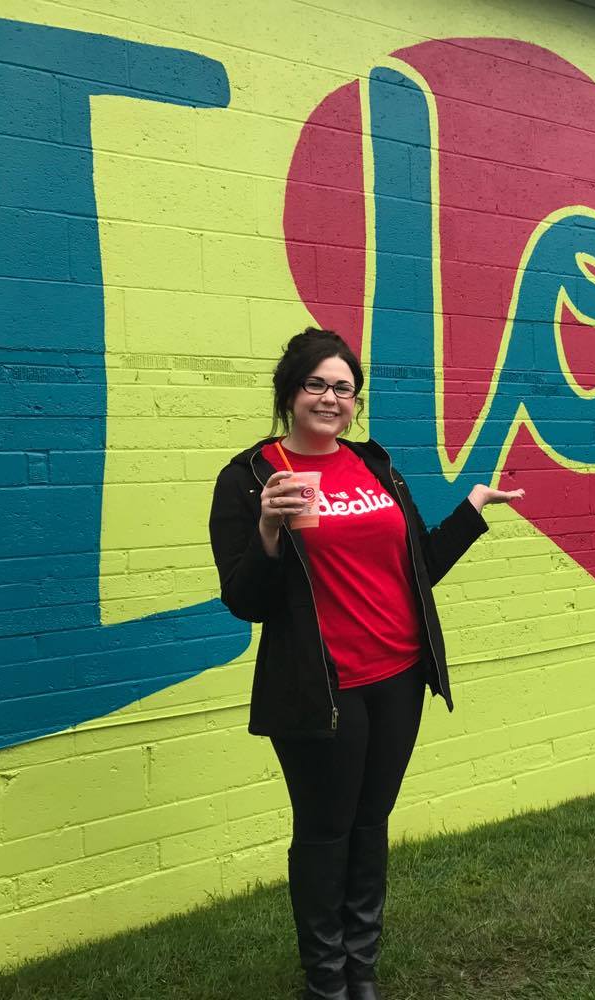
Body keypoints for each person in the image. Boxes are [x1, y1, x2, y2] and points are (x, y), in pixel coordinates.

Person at [208, 328, 522, 1000]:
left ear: (355, 402)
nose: (330, 398)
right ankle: (326, 982)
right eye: (316, 384)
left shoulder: (373, 466)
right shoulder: (252, 477)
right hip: (323, 689)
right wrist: (267, 530)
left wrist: (469, 511)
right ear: (290, 392)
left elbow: (419, 569)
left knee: (370, 821)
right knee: (325, 831)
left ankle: (362, 970)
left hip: (399, 678)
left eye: (343, 388)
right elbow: (245, 602)